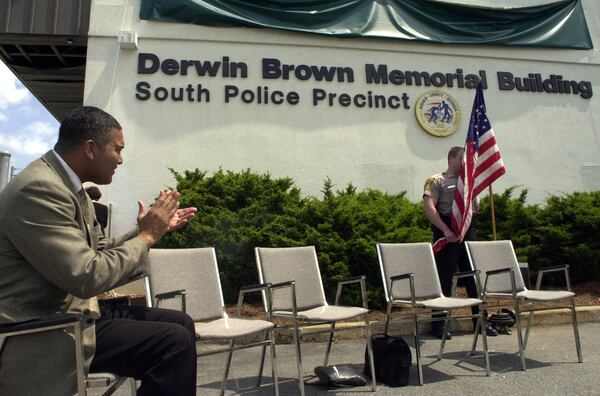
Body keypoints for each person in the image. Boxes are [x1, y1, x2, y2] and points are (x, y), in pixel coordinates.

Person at [0, 106, 198, 395]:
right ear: (91, 148)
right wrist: (147, 236)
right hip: (45, 328)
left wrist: (151, 232)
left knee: (181, 322)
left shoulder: (70, 188)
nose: (120, 159)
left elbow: (99, 255)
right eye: (117, 149)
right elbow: (87, 276)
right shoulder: (39, 189)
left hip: (75, 315)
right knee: (173, 341)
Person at [423, 146, 497, 339]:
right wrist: (445, 229)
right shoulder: (436, 180)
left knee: (475, 278)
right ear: (452, 159)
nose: (467, 163)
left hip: (468, 231)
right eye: (463, 159)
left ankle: (480, 322)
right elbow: (430, 209)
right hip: (447, 231)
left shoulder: (470, 182)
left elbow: (476, 208)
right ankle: (439, 325)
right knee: (444, 279)